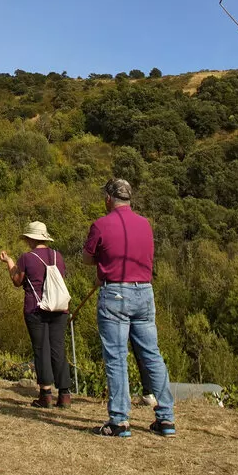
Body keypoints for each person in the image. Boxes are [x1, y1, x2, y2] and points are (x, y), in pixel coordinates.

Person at [81, 178, 176, 438]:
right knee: (151, 355)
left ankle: (120, 421)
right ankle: (166, 418)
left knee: (116, 356)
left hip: (115, 293)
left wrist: (103, 260)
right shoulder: (145, 224)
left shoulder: (100, 224)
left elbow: (87, 257)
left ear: (109, 199)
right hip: (144, 291)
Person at [0, 221, 71, 408]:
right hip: (59, 308)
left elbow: (17, 280)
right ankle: (64, 394)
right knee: (58, 348)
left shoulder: (27, 258)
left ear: (30, 239)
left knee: (41, 349)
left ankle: (46, 394)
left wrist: (9, 262)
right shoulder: (58, 256)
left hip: (36, 309)